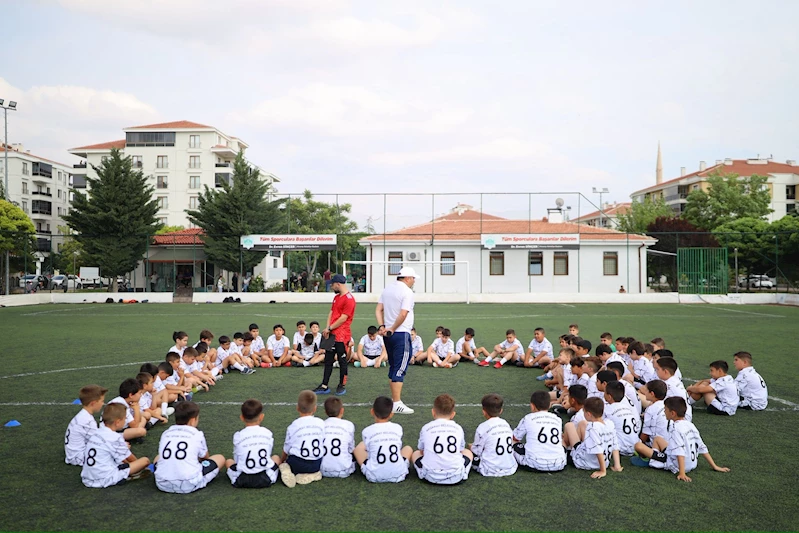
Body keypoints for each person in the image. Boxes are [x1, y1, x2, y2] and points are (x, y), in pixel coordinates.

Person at [632, 397, 730, 482]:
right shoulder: (690, 425)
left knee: (638, 446)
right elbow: (702, 447)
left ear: (673, 413)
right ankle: (653, 459)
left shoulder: (676, 428)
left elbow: (680, 451)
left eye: (665, 410)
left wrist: (682, 473)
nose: (664, 412)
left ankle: (653, 461)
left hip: (676, 464)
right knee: (658, 439)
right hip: (692, 463)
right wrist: (714, 466)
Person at [154, 401, 226, 493]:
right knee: (220, 458)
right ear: (192, 420)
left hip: (162, 483)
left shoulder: (166, 433)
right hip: (188, 484)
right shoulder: (197, 434)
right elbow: (205, 457)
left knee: (158, 457)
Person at [375, 266, 418, 414]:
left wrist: (383, 326)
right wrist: (392, 327)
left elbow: (378, 309)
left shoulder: (387, 289)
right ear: (407, 278)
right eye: (413, 278)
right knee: (400, 369)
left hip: (388, 334)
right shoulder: (407, 292)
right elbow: (403, 314)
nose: (413, 281)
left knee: (393, 367)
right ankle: (397, 403)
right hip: (400, 333)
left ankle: (394, 400)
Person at [81, 403, 151, 488]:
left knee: (119, 458)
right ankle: (129, 475)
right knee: (145, 461)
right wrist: (140, 467)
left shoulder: (96, 432)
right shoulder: (115, 437)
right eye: (125, 419)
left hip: (87, 478)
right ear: (117, 422)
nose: (125, 421)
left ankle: (127, 472)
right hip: (105, 478)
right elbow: (131, 458)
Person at [412, 394, 472, 484]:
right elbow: (460, 450)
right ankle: (463, 472)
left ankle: (424, 471)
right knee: (468, 452)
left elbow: (421, 451)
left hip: (430, 476)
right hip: (455, 476)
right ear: (453, 414)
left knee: (415, 453)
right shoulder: (458, 428)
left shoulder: (426, 427)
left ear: (433, 412)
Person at [354, 396, 412, 483]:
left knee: (358, 449)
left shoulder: (367, 431)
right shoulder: (397, 427)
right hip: (399, 474)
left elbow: (369, 451)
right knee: (408, 448)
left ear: (372, 411)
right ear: (391, 414)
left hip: (374, 476)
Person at [225, 399, 281, 489]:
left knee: (228, 461)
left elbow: (237, 460)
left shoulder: (238, 436)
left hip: (242, 479)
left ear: (242, 417)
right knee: (276, 458)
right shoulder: (267, 433)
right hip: (265, 478)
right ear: (261, 417)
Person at [314, 274, 355, 396]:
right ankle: (324, 385)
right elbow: (331, 312)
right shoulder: (337, 297)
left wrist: (330, 327)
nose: (331, 286)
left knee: (342, 360)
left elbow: (344, 318)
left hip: (342, 335)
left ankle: (341, 385)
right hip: (332, 333)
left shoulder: (349, 299)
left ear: (338, 284)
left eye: (332, 284)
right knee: (328, 360)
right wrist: (327, 328)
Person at [562, 397, 623, 479]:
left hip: (583, 461)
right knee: (582, 423)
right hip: (603, 461)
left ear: (588, 414)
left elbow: (598, 449)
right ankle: (570, 446)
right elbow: (615, 444)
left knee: (569, 426)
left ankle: (564, 449)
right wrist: (617, 465)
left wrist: (602, 470)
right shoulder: (609, 423)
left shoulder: (593, 427)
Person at [279, 390, 325, 488]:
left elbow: (286, 449)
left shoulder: (293, 426)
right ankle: (313, 474)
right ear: (315, 408)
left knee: (284, 465)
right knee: (314, 466)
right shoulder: (321, 423)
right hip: (316, 463)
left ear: (297, 408)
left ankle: (288, 470)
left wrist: (282, 461)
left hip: (297, 463)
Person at [512, 391, 566, 472]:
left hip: (534, 463)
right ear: (549, 405)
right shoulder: (557, 419)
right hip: (559, 464)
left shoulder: (528, 418)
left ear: (532, 406)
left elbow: (515, 438)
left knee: (512, 443)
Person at [470, 394, 517, 477]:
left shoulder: (482, 427)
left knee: (468, 454)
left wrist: (471, 447)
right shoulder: (505, 423)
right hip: (511, 467)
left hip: (489, 470)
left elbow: (476, 451)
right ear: (501, 410)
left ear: (483, 411)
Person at [65, 384, 107, 466]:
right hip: (77, 457)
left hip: (74, 454)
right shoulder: (87, 421)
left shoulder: (83, 416)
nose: (103, 404)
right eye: (101, 401)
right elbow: (99, 441)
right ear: (93, 403)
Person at [321, 397, 356, 479]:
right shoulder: (348, 424)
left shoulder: (320, 425)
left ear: (325, 412)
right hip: (344, 469)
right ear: (342, 410)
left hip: (321, 469)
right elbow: (351, 449)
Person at [602, 381, 640, 456]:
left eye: (604, 392)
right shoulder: (626, 407)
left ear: (609, 397)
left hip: (621, 448)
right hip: (635, 446)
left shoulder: (608, 410)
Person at [104, 378, 147, 443]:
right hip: (112, 432)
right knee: (141, 431)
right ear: (131, 395)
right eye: (139, 393)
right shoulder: (121, 405)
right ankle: (125, 438)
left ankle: (132, 436)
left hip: (119, 428)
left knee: (143, 418)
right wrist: (136, 409)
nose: (140, 396)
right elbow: (135, 426)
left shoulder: (122, 401)